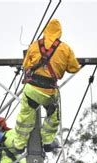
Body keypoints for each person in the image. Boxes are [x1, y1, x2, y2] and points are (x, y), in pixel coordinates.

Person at [11, 19, 81, 153]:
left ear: (45, 30)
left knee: (25, 116)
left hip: (32, 88)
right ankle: (48, 141)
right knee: (53, 115)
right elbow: (73, 68)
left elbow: (26, 65)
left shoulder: (34, 45)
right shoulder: (65, 49)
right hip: (49, 91)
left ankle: (19, 144)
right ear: (59, 32)